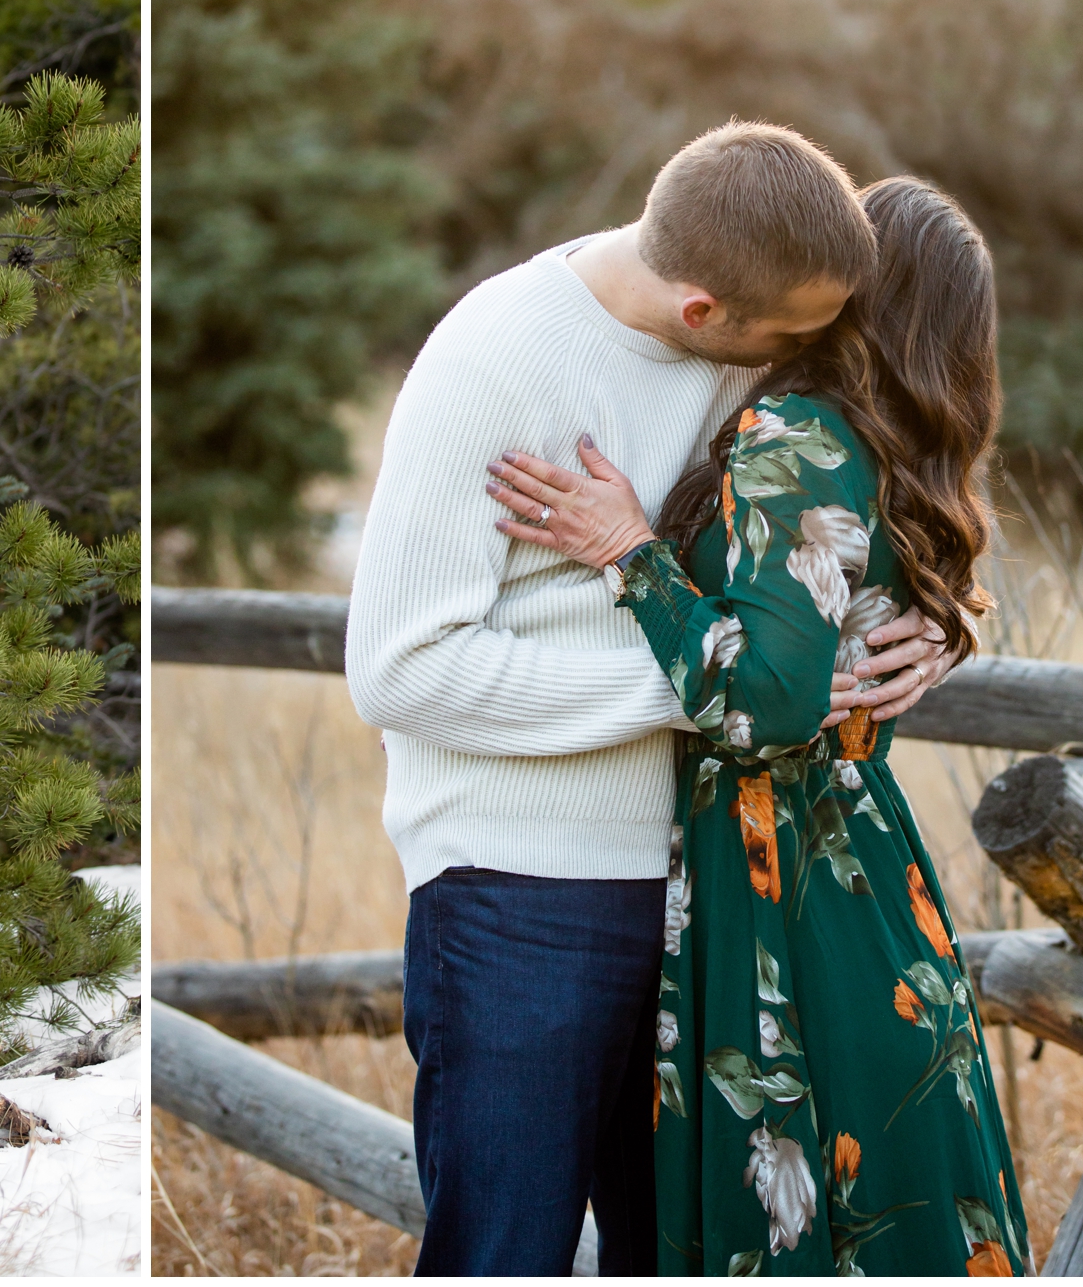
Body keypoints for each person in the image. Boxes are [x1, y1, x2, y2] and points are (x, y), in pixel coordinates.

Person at [346, 122, 952, 1276]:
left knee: (671, 1254)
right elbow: (401, 669)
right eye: (795, 338)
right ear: (703, 313)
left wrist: (923, 631)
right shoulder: (497, 360)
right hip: (523, 888)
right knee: (504, 1251)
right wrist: (725, 687)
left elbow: (856, 492)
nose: (811, 359)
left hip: (713, 884)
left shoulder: (755, 332)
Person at [491, 176, 1031, 1275]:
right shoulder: (889, 447)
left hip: (780, 869)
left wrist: (631, 553)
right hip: (864, 866)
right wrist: (953, 619)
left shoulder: (797, 429)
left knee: (795, 1211)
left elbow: (765, 703)